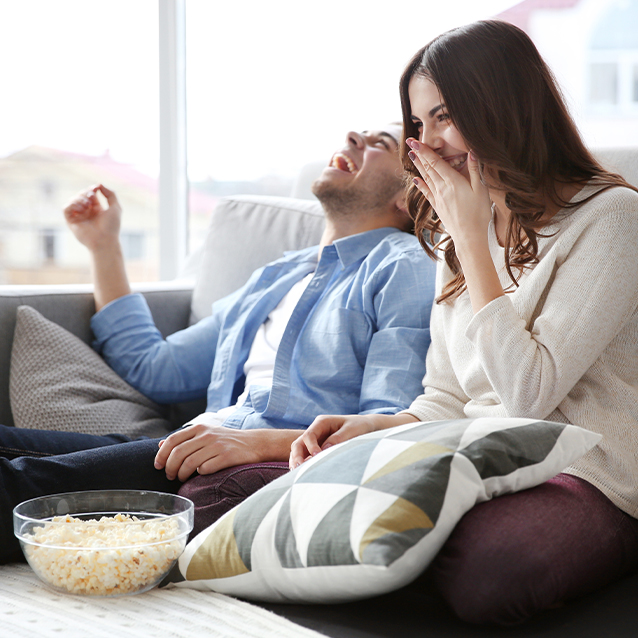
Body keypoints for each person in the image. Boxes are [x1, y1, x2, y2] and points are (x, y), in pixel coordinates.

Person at [290, 21, 638, 626]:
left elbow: (528, 397)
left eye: (444, 116)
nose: (427, 144)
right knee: (228, 496)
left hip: (589, 473)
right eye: (418, 125)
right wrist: (373, 428)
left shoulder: (614, 219)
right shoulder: (457, 238)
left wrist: (474, 243)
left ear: (504, 105)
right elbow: (447, 399)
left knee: (494, 571)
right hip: (478, 460)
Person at [0, 124, 437, 563]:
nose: (354, 136)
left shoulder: (406, 266)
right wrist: (103, 245)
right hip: (192, 442)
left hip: (239, 458)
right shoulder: (278, 275)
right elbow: (157, 370)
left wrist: (256, 444)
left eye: (382, 142)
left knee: (20, 482)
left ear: (409, 197)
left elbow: (384, 426)